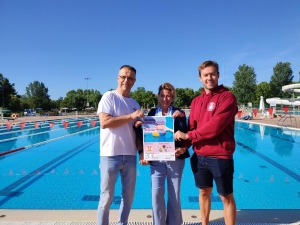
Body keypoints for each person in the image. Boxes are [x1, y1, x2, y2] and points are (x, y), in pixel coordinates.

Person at [174, 60, 238, 225]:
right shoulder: (196, 101)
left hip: (220, 156)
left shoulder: (227, 97)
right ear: (200, 78)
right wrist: (184, 147)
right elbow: (192, 127)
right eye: (205, 75)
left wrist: (188, 136)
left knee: (226, 196)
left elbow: (215, 126)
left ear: (218, 75)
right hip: (199, 156)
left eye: (212, 74)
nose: (209, 78)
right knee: (203, 192)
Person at [97, 65, 144, 225]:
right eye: (123, 76)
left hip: (130, 156)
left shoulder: (135, 104)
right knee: (106, 198)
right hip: (110, 155)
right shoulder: (109, 97)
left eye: (130, 78)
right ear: (118, 77)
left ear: (134, 81)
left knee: (128, 197)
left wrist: (142, 152)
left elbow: (137, 133)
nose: (126, 80)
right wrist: (131, 116)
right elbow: (105, 122)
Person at [136, 82, 190, 225]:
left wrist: (182, 119)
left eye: (168, 96)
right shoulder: (152, 113)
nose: (165, 98)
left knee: (174, 196)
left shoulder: (179, 113)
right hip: (157, 161)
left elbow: (187, 134)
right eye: (162, 95)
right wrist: (139, 127)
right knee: (156, 195)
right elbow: (146, 135)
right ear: (158, 96)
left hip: (175, 159)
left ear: (172, 97)